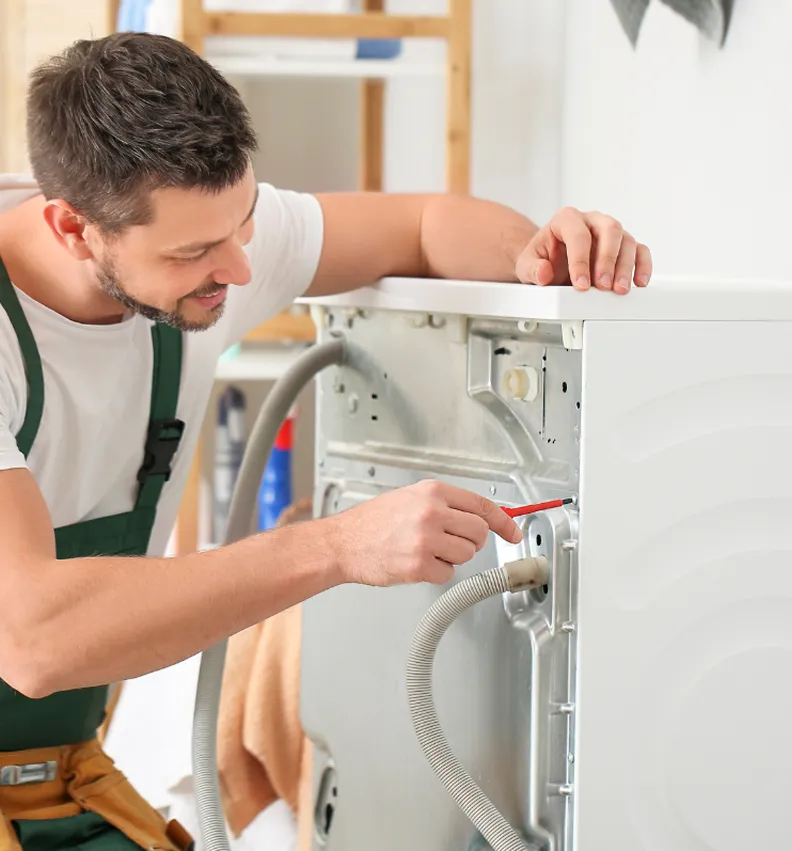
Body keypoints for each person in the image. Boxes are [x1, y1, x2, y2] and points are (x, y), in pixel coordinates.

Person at [0, 31, 652, 851]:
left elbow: (425, 221)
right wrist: (338, 546)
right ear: (72, 229)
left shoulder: (199, 239)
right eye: (196, 250)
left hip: (63, 775)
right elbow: (32, 637)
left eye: (242, 223)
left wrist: (537, 259)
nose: (240, 270)